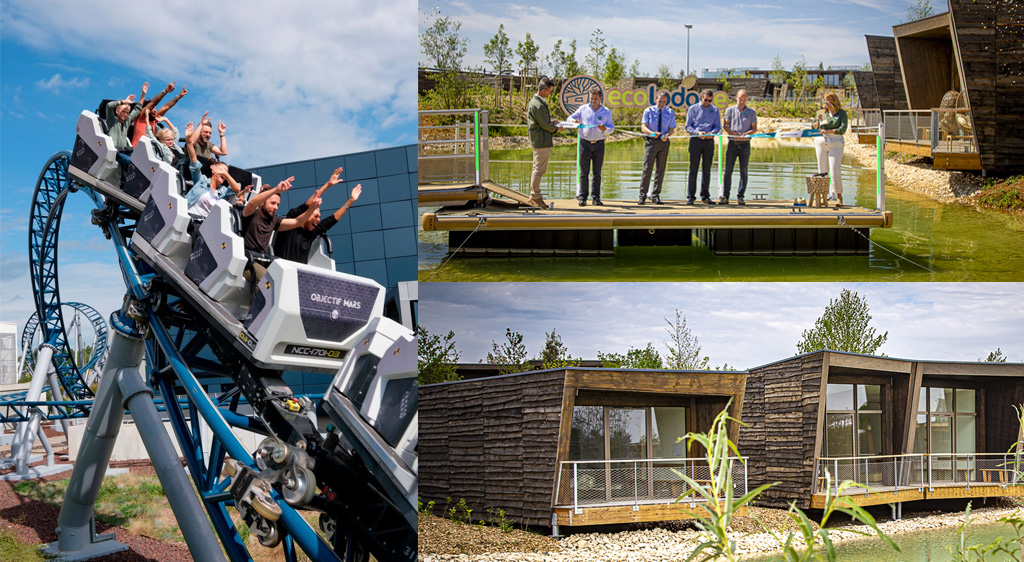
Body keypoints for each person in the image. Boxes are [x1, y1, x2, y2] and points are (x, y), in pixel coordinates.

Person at [274, 167, 363, 263]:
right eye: (316, 216)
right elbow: (308, 204)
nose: (318, 220)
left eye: (319, 217)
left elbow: (333, 219)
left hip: (298, 275)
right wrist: (328, 184)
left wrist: (351, 200)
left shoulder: (311, 233)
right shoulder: (290, 222)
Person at [182, 122, 241, 218]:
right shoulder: (201, 181)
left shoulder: (221, 191)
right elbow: (194, 161)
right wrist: (188, 141)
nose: (224, 173)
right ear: (213, 169)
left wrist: (225, 174)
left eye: (210, 133)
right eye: (222, 170)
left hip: (206, 224)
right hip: (191, 218)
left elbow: (236, 189)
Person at [567, 86, 614, 206]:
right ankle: (582, 197)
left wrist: (605, 129)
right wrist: (573, 122)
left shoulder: (606, 111)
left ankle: (596, 197)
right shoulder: (582, 109)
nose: (593, 101)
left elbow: (611, 128)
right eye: (591, 98)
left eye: (596, 99)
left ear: (601, 99)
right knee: (584, 172)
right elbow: (570, 118)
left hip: (599, 144)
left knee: (597, 172)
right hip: (584, 144)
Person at [526, 76, 562, 209]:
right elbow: (545, 125)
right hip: (541, 141)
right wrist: (557, 128)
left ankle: (535, 194)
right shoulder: (538, 105)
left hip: (539, 139)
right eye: (550, 91)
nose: (551, 94)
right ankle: (534, 196)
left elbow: (542, 122)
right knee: (539, 169)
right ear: (543, 91)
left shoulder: (536, 103)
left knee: (538, 168)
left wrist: (550, 122)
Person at [638, 90, 675, 205]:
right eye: (660, 101)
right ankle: (642, 196)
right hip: (651, 141)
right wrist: (652, 133)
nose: (662, 104)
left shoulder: (670, 112)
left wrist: (667, 135)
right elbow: (643, 127)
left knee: (660, 170)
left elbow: (672, 128)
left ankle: (656, 195)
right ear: (656, 100)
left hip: (663, 143)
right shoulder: (648, 111)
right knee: (647, 169)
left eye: (664, 102)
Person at [721, 89, 757, 205]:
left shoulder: (751, 113)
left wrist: (748, 133)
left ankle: (740, 196)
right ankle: (725, 196)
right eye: (741, 98)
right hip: (732, 144)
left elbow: (754, 129)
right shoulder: (730, 110)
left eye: (745, 99)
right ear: (736, 97)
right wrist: (733, 133)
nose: (742, 101)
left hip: (745, 145)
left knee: (744, 172)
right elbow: (725, 126)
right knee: (728, 172)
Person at [812, 92, 849, 207]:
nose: (825, 103)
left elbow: (842, 129)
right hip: (821, 142)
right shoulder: (822, 112)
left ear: (833, 101)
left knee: (834, 170)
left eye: (827, 101)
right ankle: (823, 197)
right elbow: (813, 127)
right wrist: (817, 121)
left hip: (836, 143)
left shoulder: (842, 113)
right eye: (824, 101)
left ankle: (839, 196)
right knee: (822, 170)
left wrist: (828, 131)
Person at [685, 89, 721, 205]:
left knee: (707, 169)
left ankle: (705, 196)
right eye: (706, 100)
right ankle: (691, 196)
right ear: (701, 97)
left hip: (709, 141)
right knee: (693, 169)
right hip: (696, 140)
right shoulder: (693, 109)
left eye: (710, 100)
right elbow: (687, 126)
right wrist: (697, 133)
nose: (707, 102)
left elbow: (718, 126)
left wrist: (712, 133)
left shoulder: (715, 110)